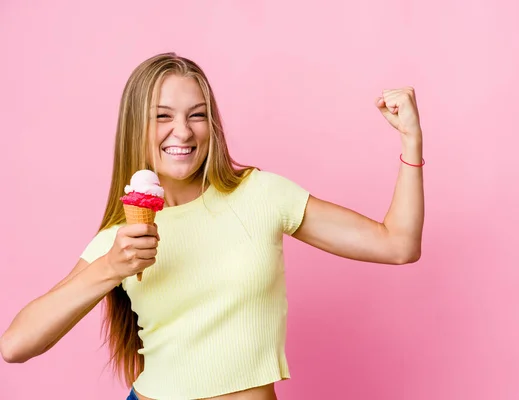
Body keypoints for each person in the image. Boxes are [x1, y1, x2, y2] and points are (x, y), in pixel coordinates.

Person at [0, 52, 425, 400]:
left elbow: (397, 245)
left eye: (197, 115)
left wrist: (410, 142)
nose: (182, 132)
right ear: (136, 127)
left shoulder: (262, 195)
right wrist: (110, 267)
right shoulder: (121, 238)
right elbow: (15, 345)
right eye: (162, 116)